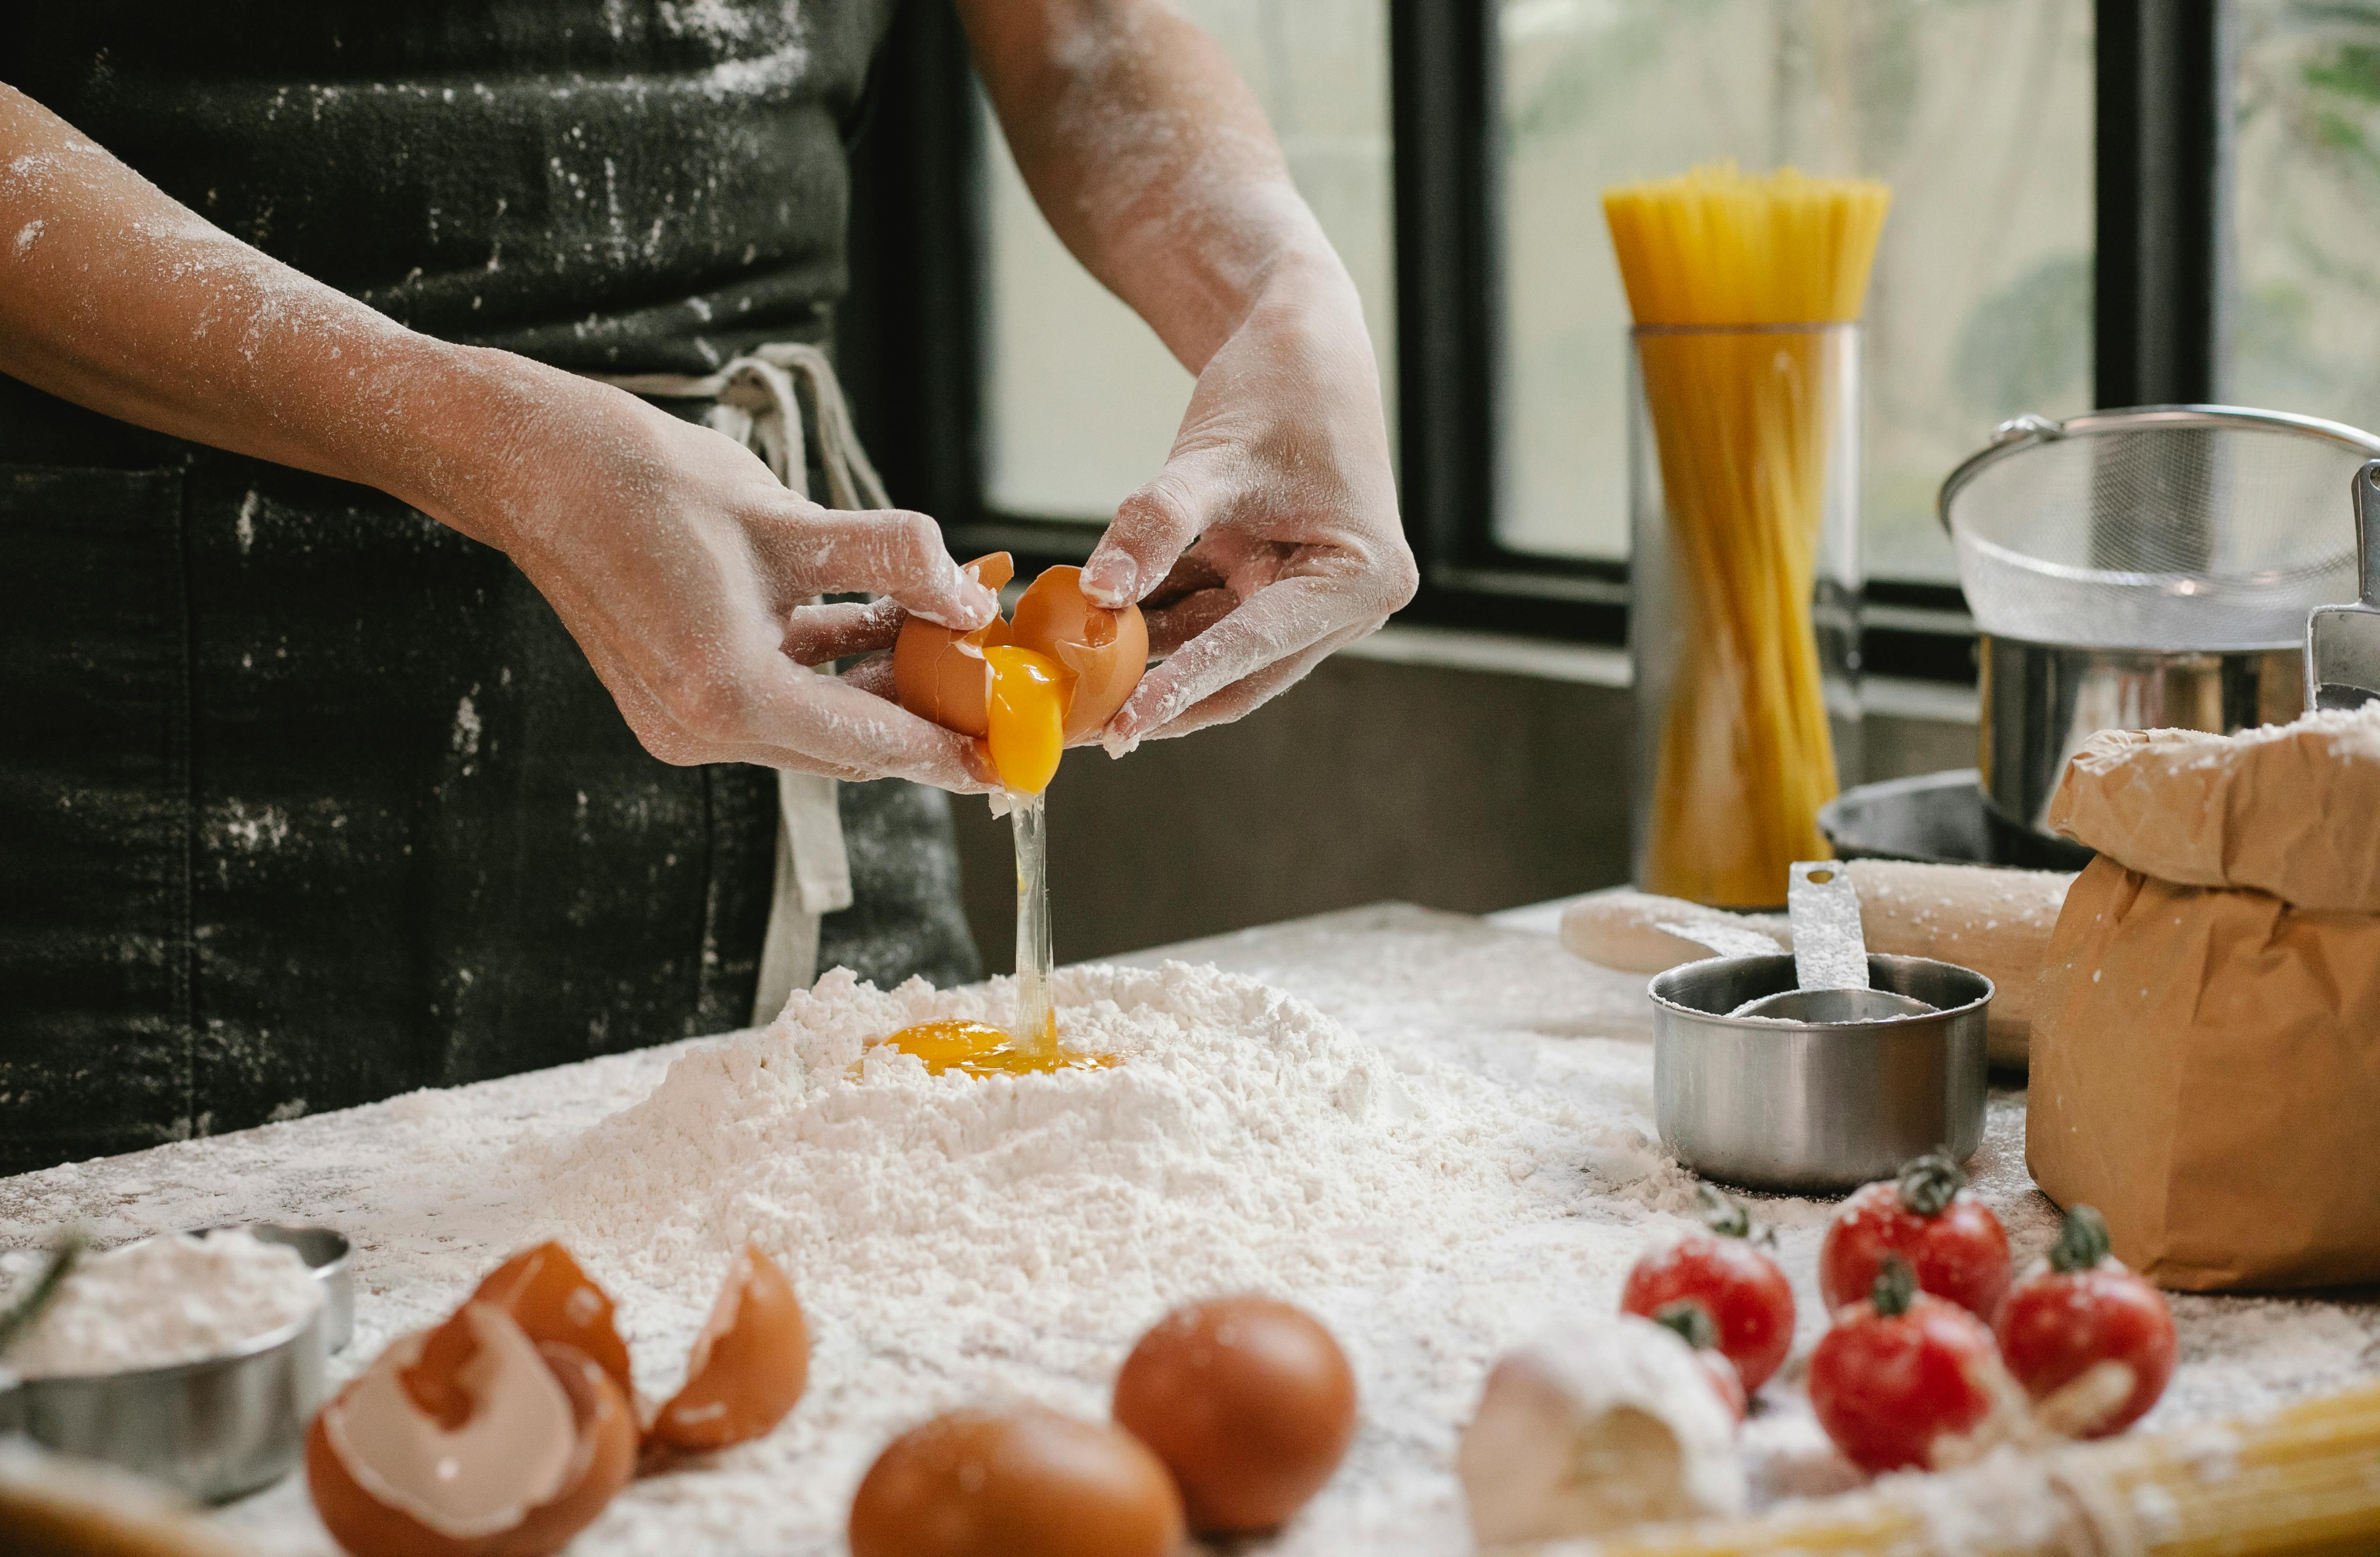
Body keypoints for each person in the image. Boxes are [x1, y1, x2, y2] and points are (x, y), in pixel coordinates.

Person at [0, 3, 1414, 1175]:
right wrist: (473, 432)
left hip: (788, 648)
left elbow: (1084, 36)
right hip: (175, 729)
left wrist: (1286, 296)